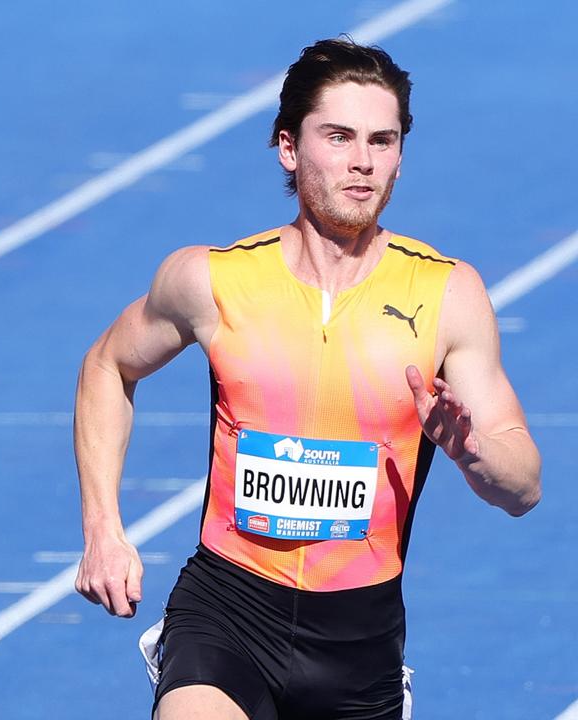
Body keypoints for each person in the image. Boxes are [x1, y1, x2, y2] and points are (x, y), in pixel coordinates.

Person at [72, 38, 540, 720]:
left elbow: (524, 486)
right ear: (289, 148)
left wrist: (471, 450)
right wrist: (103, 530)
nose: (362, 161)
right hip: (229, 609)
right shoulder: (214, 280)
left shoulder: (446, 295)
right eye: (340, 136)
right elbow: (107, 365)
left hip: (359, 638)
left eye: (382, 141)